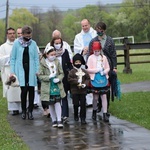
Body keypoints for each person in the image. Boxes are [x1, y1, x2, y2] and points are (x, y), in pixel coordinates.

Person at [10, 25, 39, 120]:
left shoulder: (33, 44)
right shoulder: (16, 44)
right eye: (26, 36)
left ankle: (30, 111)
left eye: (30, 36)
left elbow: (36, 58)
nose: (28, 38)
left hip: (31, 70)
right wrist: (12, 72)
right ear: (22, 34)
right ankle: (23, 110)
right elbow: (13, 58)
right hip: (21, 70)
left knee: (31, 91)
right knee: (24, 91)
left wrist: (37, 70)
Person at [88, 21, 117, 114]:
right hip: (96, 68)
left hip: (107, 66)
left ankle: (106, 107)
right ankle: (99, 106)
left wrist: (115, 67)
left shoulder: (110, 40)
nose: (99, 31)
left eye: (101, 30)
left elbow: (113, 55)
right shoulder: (93, 41)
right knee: (97, 87)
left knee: (106, 88)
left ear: (104, 30)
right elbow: (90, 54)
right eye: (97, 30)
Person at [39, 46, 66, 128]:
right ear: (47, 54)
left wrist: (59, 78)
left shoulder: (57, 62)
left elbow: (62, 73)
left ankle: (59, 119)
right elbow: (40, 76)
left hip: (57, 85)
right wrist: (48, 77)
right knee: (51, 104)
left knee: (58, 102)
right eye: (51, 54)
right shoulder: (42, 63)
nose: (53, 56)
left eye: (54, 54)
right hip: (48, 86)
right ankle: (53, 119)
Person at [50, 37, 73, 123]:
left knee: (64, 96)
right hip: (54, 77)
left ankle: (65, 114)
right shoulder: (50, 53)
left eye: (59, 43)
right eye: (56, 43)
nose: (58, 45)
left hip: (65, 77)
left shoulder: (65, 52)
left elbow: (69, 63)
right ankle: (57, 115)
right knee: (56, 96)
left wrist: (72, 71)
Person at [0, 27, 21, 115]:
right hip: (8, 70)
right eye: (10, 33)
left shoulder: (19, 44)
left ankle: (22, 107)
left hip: (19, 69)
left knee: (19, 89)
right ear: (7, 35)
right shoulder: (3, 47)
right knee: (11, 90)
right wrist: (10, 57)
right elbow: (1, 59)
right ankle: (14, 109)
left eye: (13, 33)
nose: (12, 35)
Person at [87, 41, 110, 122]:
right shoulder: (90, 58)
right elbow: (88, 69)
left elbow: (108, 67)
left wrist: (104, 72)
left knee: (104, 96)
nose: (96, 52)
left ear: (100, 50)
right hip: (94, 78)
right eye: (95, 51)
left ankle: (105, 113)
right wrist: (97, 70)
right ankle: (94, 111)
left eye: (98, 51)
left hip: (103, 78)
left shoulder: (104, 57)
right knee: (95, 97)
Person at [68, 54, 90, 124]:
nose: (78, 64)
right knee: (76, 104)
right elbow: (69, 79)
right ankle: (76, 115)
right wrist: (76, 81)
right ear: (74, 63)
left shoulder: (84, 71)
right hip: (75, 91)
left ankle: (83, 118)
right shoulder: (72, 71)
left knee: (83, 105)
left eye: (79, 62)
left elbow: (88, 78)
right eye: (76, 62)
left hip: (83, 91)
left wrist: (85, 84)